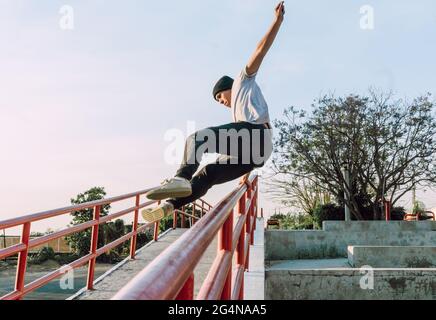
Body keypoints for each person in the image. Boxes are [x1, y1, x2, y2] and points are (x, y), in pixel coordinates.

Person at [142, 1, 285, 222]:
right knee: (208, 173)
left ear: (228, 87)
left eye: (220, 97)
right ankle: (170, 206)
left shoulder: (242, 81)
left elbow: (260, 50)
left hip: (255, 137)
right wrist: (245, 176)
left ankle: (180, 177)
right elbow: (244, 145)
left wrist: (276, 22)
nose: (221, 102)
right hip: (256, 153)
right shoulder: (239, 116)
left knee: (198, 139)